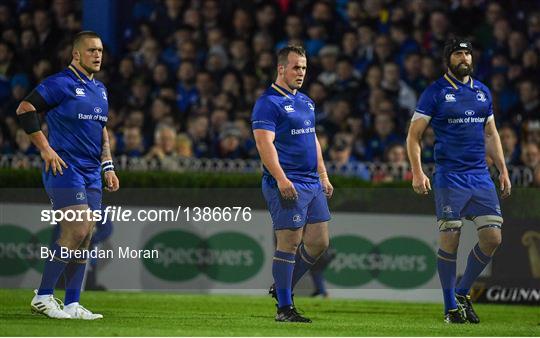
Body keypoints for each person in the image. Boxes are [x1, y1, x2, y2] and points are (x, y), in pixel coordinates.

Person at [16, 31, 119, 319]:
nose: (98, 55)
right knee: (78, 228)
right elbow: (25, 109)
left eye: (100, 50)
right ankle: (44, 295)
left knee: (86, 237)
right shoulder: (60, 83)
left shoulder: (100, 89)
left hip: (91, 173)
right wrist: (46, 150)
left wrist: (107, 165)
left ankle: (72, 304)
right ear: (76, 54)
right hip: (64, 168)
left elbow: (101, 128)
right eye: (91, 51)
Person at [407, 38, 511, 324]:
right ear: (448, 60)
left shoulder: (482, 92)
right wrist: (417, 171)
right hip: (449, 176)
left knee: (493, 238)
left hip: (479, 175)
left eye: (467, 53)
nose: (464, 57)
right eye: (457, 54)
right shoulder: (435, 92)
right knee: (450, 240)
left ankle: (463, 291)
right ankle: (450, 306)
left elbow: (491, 134)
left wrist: (502, 168)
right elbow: (413, 136)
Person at [251, 45, 333, 323]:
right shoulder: (268, 103)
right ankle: (284, 308)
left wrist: (323, 174)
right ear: (281, 68)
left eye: (304, 68)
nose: (301, 73)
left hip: (311, 182)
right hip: (287, 182)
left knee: (319, 242)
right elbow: (264, 144)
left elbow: (313, 141)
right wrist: (281, 178)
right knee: (289, 242)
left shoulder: (307, 102)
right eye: (296, 67)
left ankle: (282, 288)